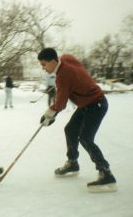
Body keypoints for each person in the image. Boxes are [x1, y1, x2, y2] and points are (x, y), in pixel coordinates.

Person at [37, 48, 117, 192]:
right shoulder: (66, 60)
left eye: (44, 64)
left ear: (53, 61)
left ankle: (106, 173)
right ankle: (73, 162)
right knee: (70, 129)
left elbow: (60, 104)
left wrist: (49, 114)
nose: (43, 68)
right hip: (86, 105)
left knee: (86, 138)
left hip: (96, 104)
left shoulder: (63, 75)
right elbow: (69, 57)